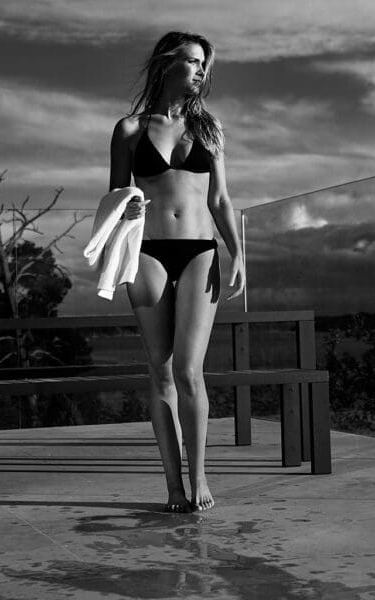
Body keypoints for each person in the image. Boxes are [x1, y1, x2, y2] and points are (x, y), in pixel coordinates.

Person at [109, 31, 245, 512]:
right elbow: (116, 197)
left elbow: (221, 199)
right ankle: (172, 486)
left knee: (190, 371)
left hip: (199, 253)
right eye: (191, 62)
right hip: (147, 253)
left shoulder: (210, 129)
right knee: (161, 371)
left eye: (204, 64)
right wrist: (125, 213)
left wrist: (238, 254)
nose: (199, 71)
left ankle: (200, 477)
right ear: (167, 64)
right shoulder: (129, 130)